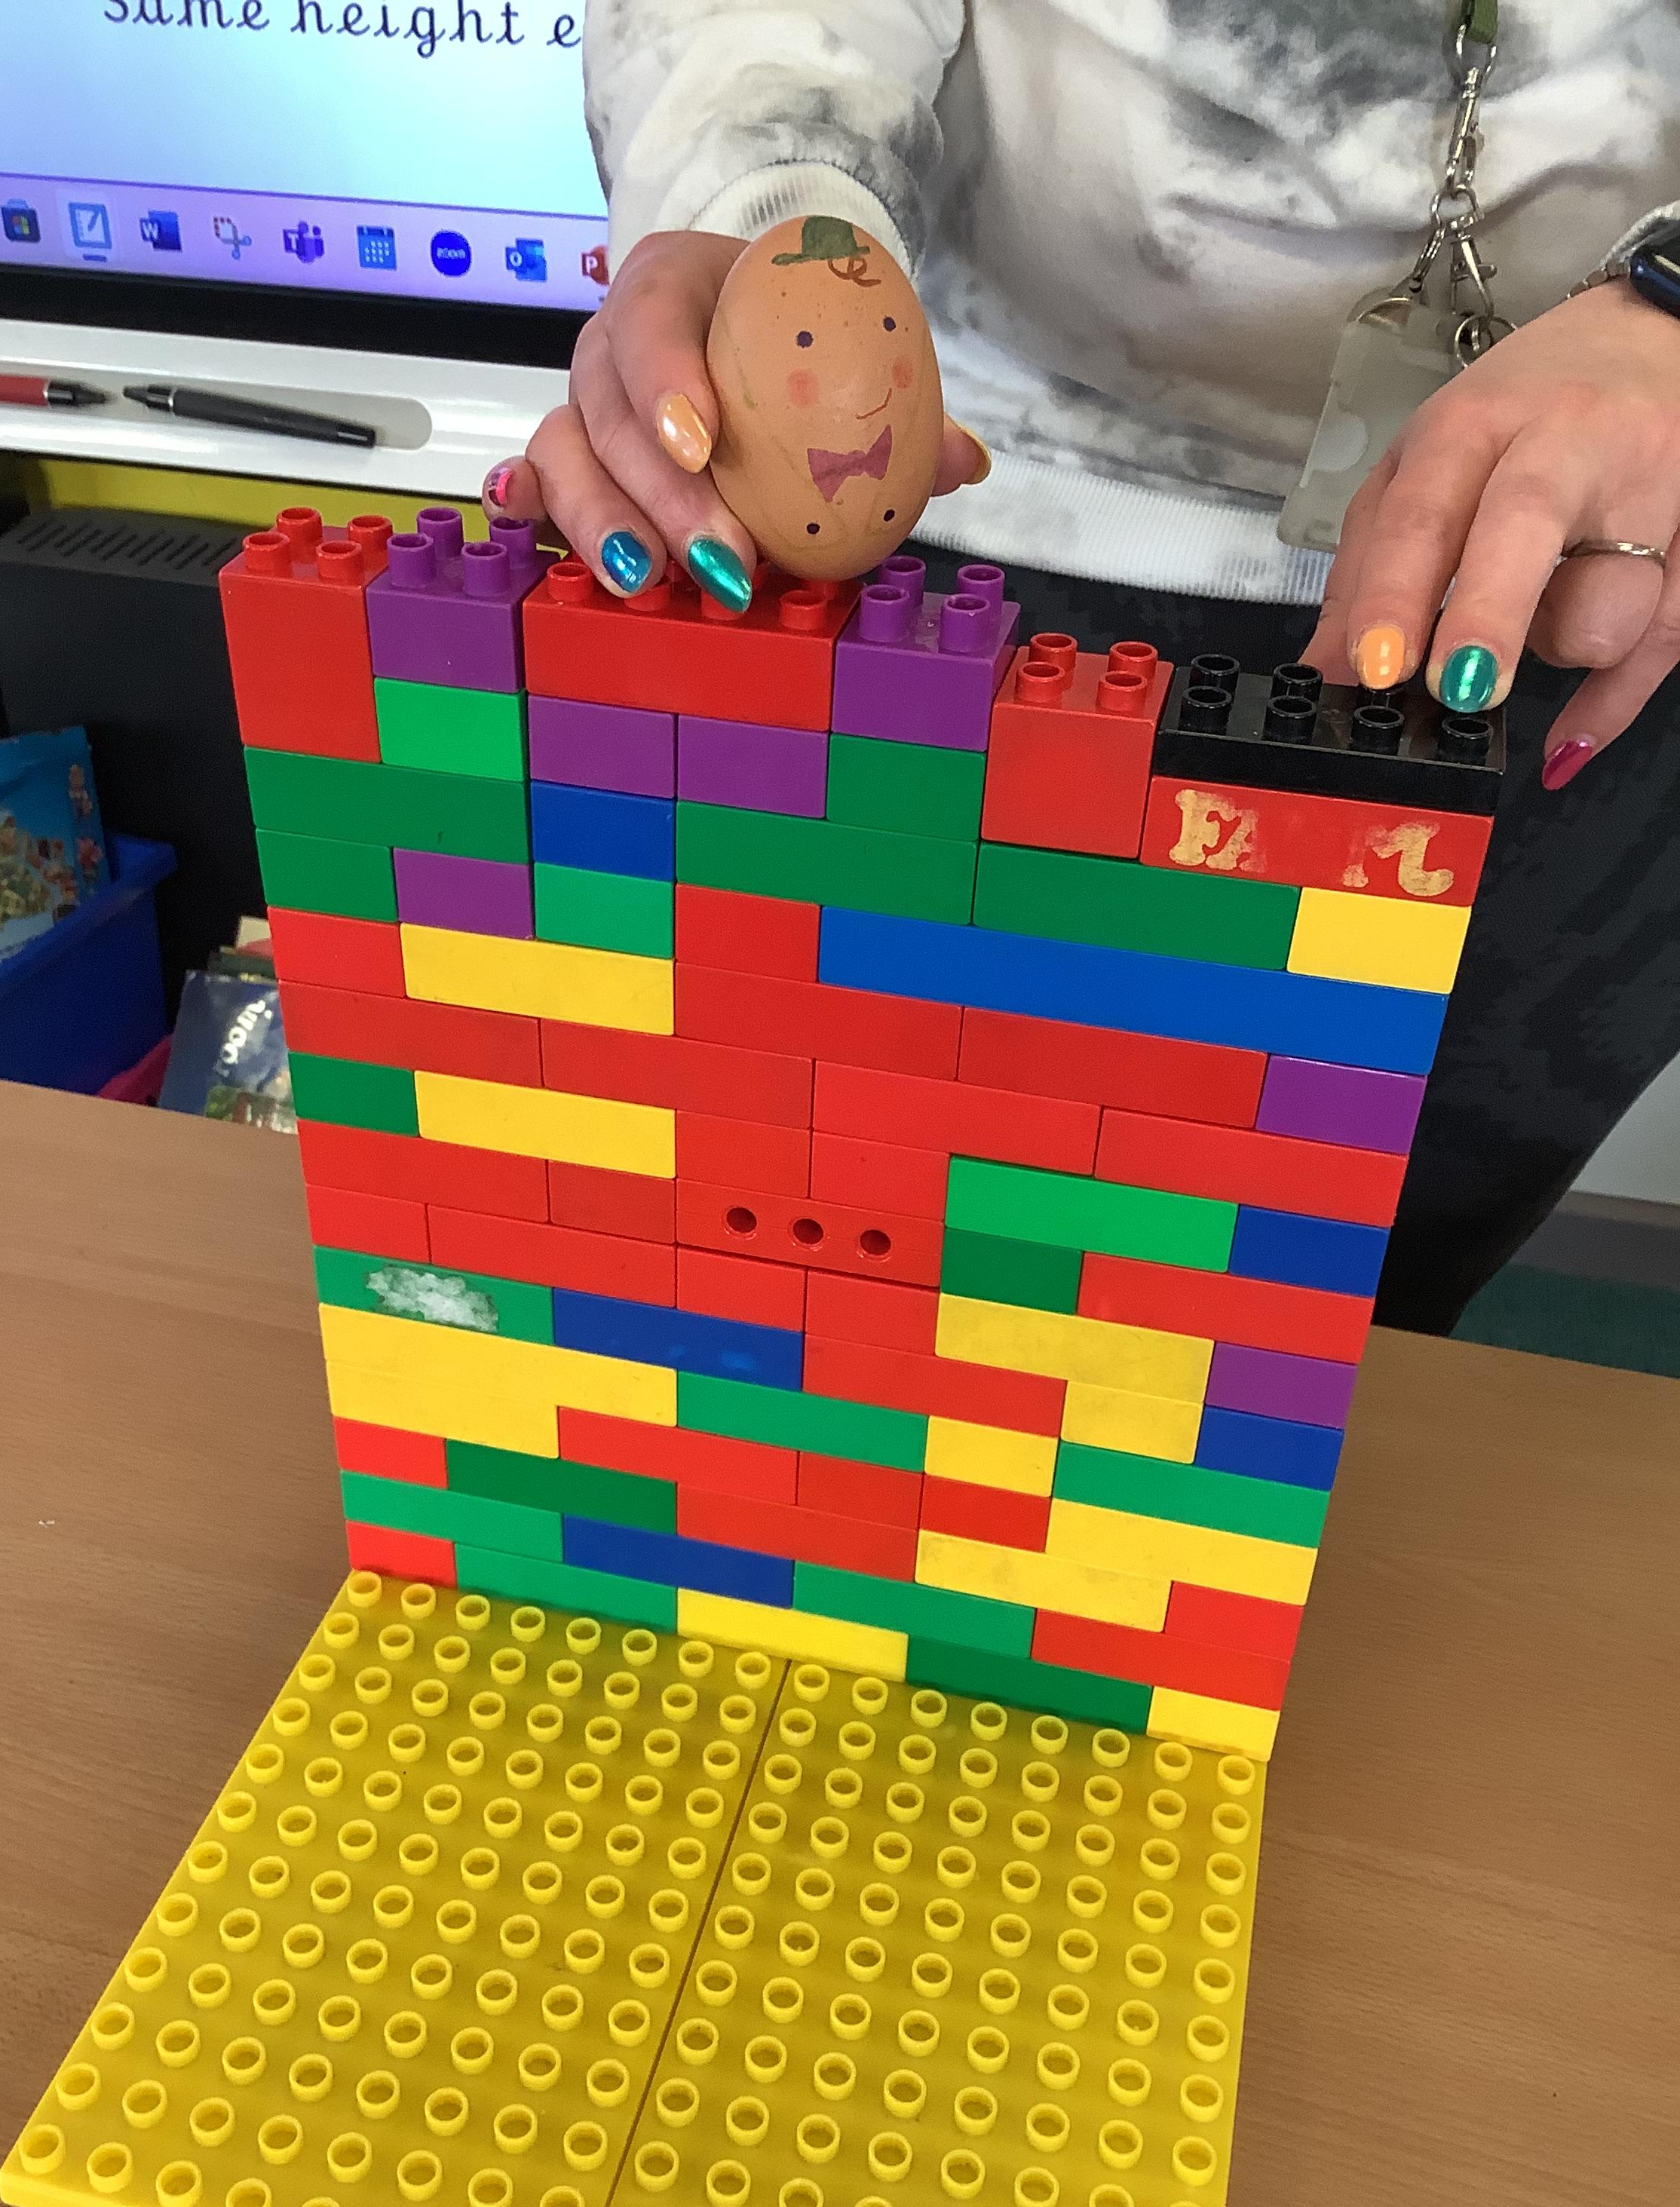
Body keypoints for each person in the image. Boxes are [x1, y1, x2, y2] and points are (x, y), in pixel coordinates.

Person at [485, 2, 1680, 1333]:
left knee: (1347, 1306)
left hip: (1609, 552)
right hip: (975, 522)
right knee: (840, 1269)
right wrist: (758, 209)